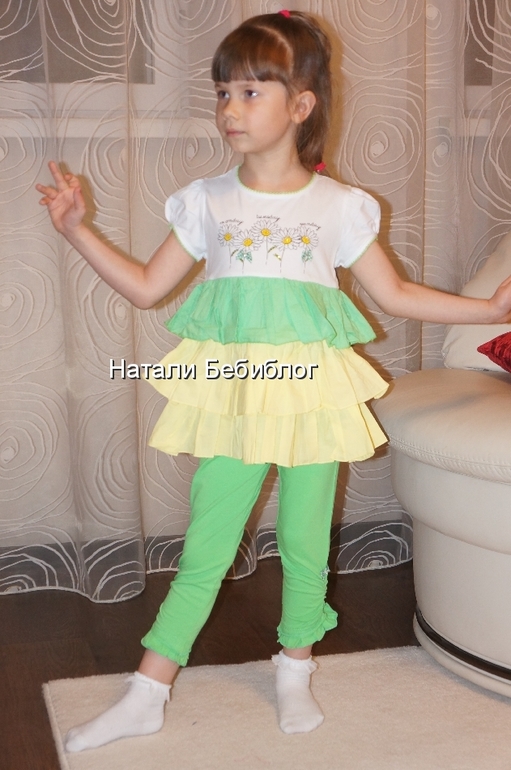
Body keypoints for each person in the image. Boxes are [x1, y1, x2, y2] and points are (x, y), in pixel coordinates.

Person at [36, 10, 511, 753]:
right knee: (208, 541)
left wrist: (486, 310)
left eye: (251, 92)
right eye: (222, 92)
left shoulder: (340, 207)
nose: (230, 108)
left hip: (312, 400)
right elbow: (145, 287)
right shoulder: (206, 200)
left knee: (302, 539)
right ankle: (147, 691)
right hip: (237, 400)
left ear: (301, 104)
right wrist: (76, 230)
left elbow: (393, 294)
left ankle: (294, 666)